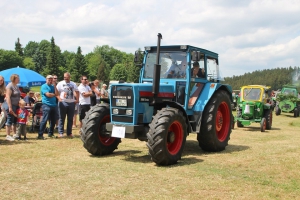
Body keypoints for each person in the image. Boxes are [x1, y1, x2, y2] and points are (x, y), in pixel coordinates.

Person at [56, 72, 79, 138]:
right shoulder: (60, 83)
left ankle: (69, 133)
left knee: (70, 118)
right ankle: (61, 132)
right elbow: (56, 91)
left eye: (66, 77)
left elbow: (77, 91)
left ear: (69, 77)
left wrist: (77, 99)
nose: (65, 78)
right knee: (61, 118)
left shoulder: (73, 84)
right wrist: (59, 98)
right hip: (63, 102)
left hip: (71, 102)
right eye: (64, 77)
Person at [38, 75, 59, 139]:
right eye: (49, 79)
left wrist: (55, 86)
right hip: (46, 105)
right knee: (44, 120)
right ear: (46, 79)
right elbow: (48, 95)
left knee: (53, 120)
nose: (50, 80)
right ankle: (40, 134)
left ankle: (51, 133)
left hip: (54, 105)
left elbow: (57, 93)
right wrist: (54, 94)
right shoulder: (44, 86)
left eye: (51, 79)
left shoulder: (53, 86)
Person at [1, 74, 21, 141]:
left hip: (16, 105)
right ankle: (8, 135)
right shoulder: (10, 86)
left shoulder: (16, 86)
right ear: (13, 79)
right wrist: (10, 107)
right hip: (10, 105)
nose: (19, 79)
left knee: (14, 120)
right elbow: (8, 97)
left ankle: (14, 134)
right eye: (17, 78)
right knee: (9, 119)